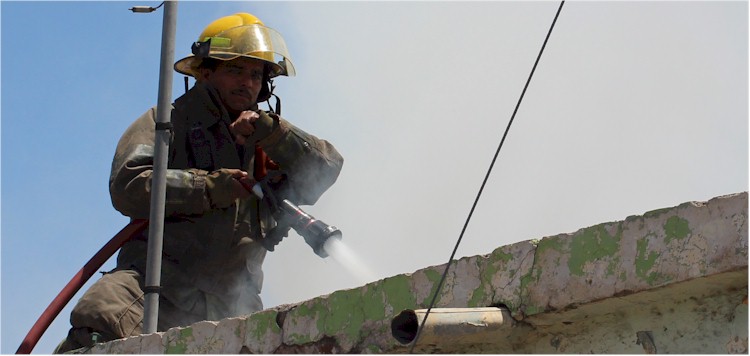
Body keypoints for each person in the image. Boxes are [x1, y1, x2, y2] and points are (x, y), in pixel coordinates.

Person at [56, 12, 343, 352]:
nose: (247, 82)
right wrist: (206, 188)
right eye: (235, 69)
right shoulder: (166, 123)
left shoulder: (270, 139)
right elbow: (128, 184)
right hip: (153, 292)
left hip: (232, 304)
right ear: (206, 73)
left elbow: (325, 168)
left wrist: (276, 133)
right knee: (98, 322)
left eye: (255, 74)